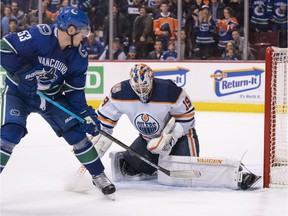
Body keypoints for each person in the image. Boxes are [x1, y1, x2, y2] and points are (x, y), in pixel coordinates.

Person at [0, 6, 115, 196]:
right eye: (82, 31)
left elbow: (74, 91)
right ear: (70, 30)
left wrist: (85, 115)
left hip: (51, 97)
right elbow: (4, 48)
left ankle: (98, 175)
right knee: (11, 132)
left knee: (76, 133)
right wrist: (21, 72)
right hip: (18, 93)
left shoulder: (79, 55)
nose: (84, 36)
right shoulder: (40, 35)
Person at [92, 63, 261, 190]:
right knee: (130, 167)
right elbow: (105, 123)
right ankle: (149, 160)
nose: (142, 92)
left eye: (145, 87)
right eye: (138, 88)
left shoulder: (169, 90)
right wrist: (98, 144)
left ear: (152, 81)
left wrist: (169, 138)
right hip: (148, 141)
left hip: (180, 137)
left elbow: (187, 119)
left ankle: (237, 175)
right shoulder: (119, 92)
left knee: (187, 173)